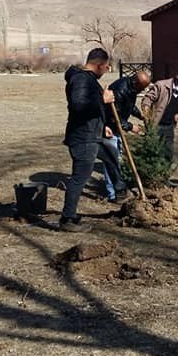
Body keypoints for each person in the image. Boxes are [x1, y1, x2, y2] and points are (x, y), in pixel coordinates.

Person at [60, 48, 128, 231]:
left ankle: (121, 191)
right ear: (98, 65)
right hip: (83, 138)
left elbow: (88, 109)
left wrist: (102, 125)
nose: (106, 71)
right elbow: (79, 105)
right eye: (106, 67)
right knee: (79, 179)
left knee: (111, 154)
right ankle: (67, 219)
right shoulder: (81, 80)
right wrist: (103, 100)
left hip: (93, 134)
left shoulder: (87, 79)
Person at [102, 70, 150, 202]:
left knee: (117, 158)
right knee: (111, 159)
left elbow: (129, 106)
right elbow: (113, 117)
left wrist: (140, 115)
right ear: (136, 82)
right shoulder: (121, 90)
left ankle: (119, 189)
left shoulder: (131, 89)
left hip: (117, 127)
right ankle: (113, 194)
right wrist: (130, 126)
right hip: (108, 129)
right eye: (142, 88)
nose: (142, 90)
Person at [141, 71, 178, 162]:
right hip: (156, 125)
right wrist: (146, 112)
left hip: (170, 126)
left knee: (168, 152)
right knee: (153, 152)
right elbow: (147, 99)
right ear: (176, 78)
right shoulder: (161, 85)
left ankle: (165, 172)